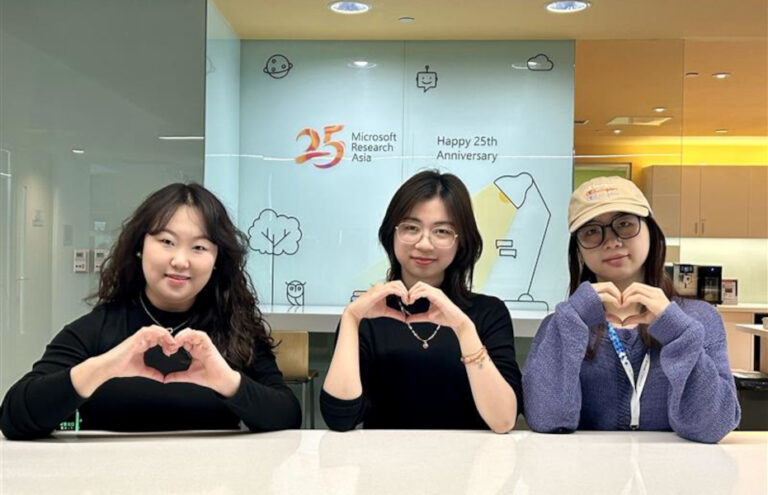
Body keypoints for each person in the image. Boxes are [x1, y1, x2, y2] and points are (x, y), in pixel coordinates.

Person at [0, 183, 301, 439]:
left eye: (199, 247)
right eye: (167, 242)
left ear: (217, 259)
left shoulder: (236, 330)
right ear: (140, 246)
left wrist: (228, 381)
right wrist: (104, 367)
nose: (181, 260)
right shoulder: (98, 329)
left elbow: (287, 416)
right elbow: (14, 418)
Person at [523, 176, 740, 443]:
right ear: (577, 250)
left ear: (651, 230)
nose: (611, 241)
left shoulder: (698, 318)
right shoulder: (561, 323)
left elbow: (713, 426)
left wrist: (677, 331)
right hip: (586, 476)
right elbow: (546, 421)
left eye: (624, 224)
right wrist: (570, 320)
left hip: (678, 477)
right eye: (591, 231)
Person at [320, 170, 522, 433]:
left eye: (442, 231)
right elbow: (339, 420)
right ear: (391, 234)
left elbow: (504, 421)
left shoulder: (488, 313)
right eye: (411, 228)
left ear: (461, 241)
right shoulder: (368, 315)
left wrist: (463, 328)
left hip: (469, 468)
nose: (424, 244)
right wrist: (350, 319)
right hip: (381, 468)